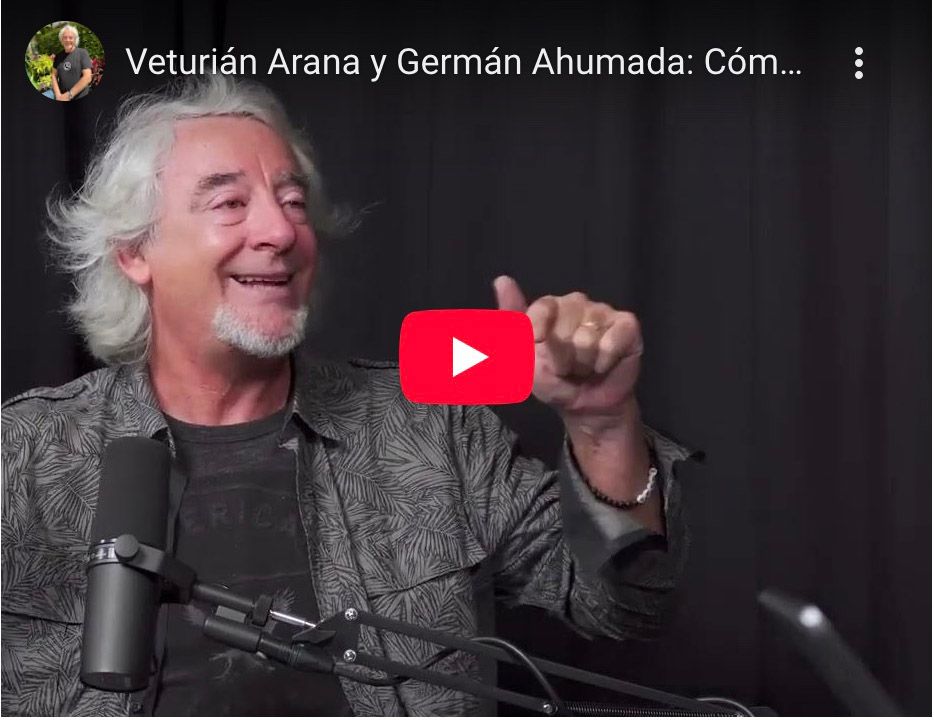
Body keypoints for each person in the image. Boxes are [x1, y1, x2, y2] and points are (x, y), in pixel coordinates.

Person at [1, 76, 692, 716]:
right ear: (134, 252)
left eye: (293, 201)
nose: (281, 232)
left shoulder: (431, 427)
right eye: (230, 203)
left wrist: (604, 426)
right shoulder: (22, 457)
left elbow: (623, 606)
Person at [50, 24, 93, 101]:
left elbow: (87, 77)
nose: (67, 40)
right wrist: (58, 95)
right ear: (61, 40)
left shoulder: (82, 53)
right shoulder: (58, 56)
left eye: (71, 37)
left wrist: (69, 95)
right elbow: (53, 75)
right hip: (61, 97)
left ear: (75, 39)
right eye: (65, 37)